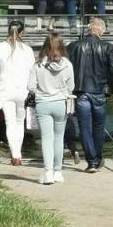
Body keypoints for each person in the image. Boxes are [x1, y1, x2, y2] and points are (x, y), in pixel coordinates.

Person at [67, 16, 113, 172]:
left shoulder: (73, 46)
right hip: (99, 92)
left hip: (81, 92)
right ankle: (97, 157)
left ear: (89, 29)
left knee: (84, 127)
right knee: (99, 127)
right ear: (101, 31)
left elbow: (66, 68)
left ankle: (92, 161)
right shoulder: (107, 47)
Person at [0, 20, 35, 166]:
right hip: (23, 91)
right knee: (19, 123)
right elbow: (32, 73)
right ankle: (19, 154)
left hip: (5, 90)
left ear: (8, 31)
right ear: (22, 33)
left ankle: (15, 155)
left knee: (10, 123)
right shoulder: (27, 50)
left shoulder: (0, 48)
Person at [27, 30, 75, 185]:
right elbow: (71, 86)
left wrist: (41, 90)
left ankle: (47, 173)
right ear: (61, 47)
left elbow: (30, 87)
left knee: (46, 139)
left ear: (45, 47)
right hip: (61, 103)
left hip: (43, 104)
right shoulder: (67, 64)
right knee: (59, 138)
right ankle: (58, 172)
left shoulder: (38, 64)